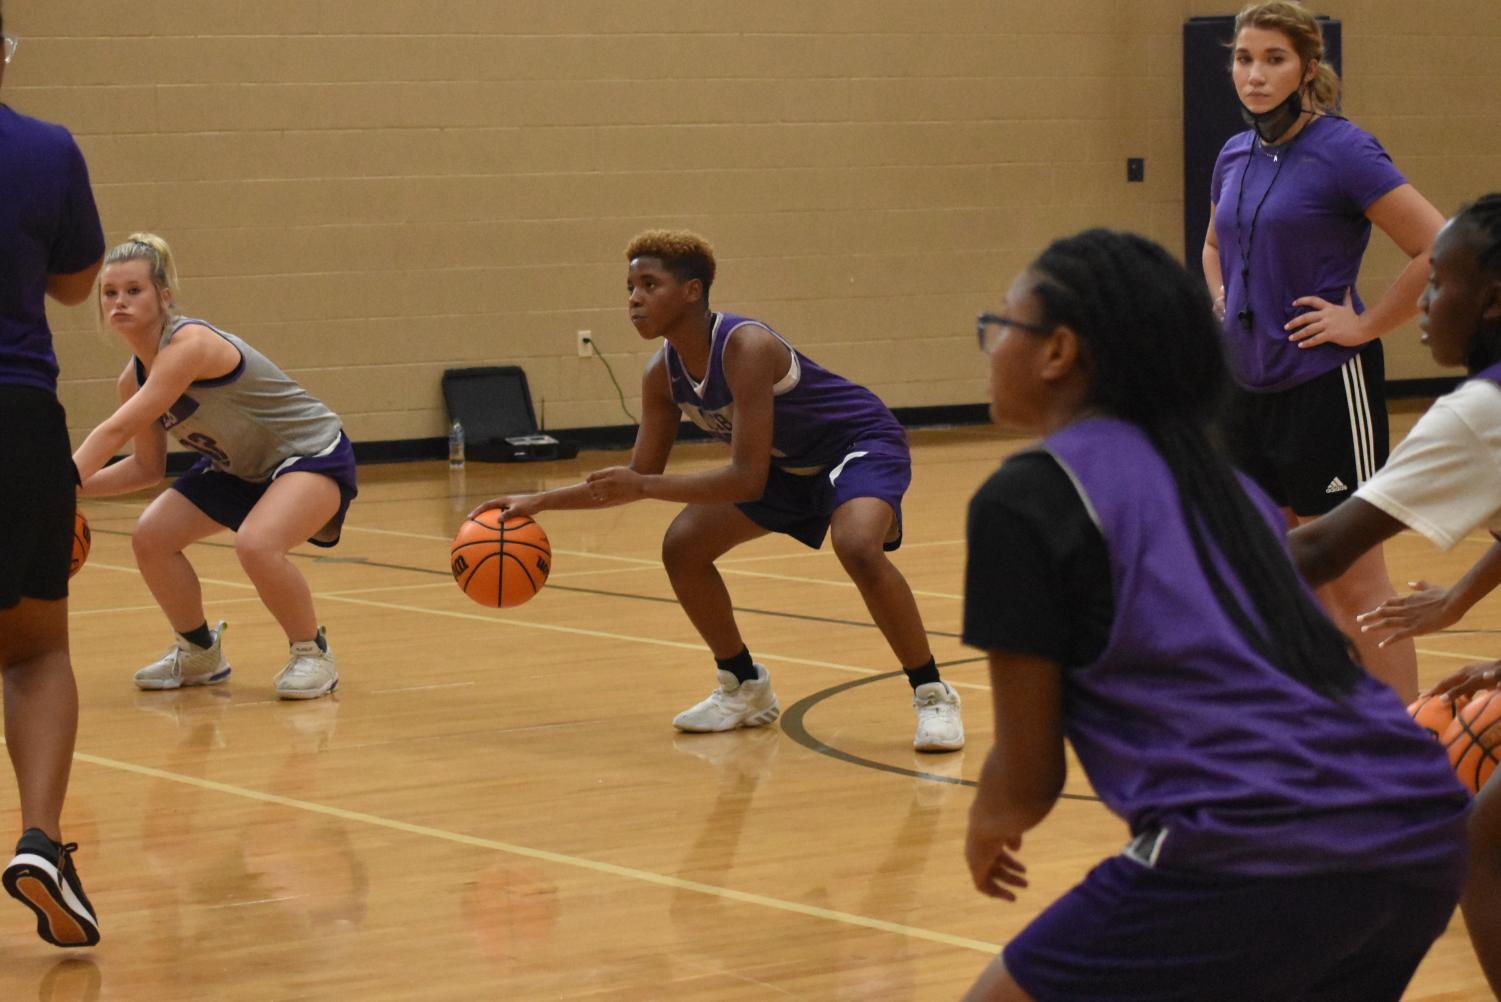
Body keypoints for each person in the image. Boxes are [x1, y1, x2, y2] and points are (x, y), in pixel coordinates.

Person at [962, 228, 1469, 1002]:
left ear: (1057, 351)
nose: (988, 341)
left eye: (1000, 322)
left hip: (1256, 844)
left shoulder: (1025, 497)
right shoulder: (1228, 485)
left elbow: (1030, 775)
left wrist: (990, 819)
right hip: (1421, 825)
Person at [473, 229, 964, 752]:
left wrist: (644, 484)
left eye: (648, 284)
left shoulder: (746, 346)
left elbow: (744, 479)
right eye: (629, 287)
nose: (634, 299)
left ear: (691, 291)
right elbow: (638, 474)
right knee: (683, 547)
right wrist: (539, 501)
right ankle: (744, 685)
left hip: (855, 443)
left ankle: (932, 692)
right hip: (785, 465)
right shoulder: (661, 373)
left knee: (857, 546)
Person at [1200, 0, 1446, 702]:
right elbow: (1215, 245)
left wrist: (1363, 327)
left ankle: (1405, 751)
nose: (1253, 74)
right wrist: (1222, 298)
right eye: (1243, 59)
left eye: (1272, 59)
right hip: (1245, 391)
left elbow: (1438, 246)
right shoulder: (1233, 153)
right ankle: (1322, 731)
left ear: (1306, 67)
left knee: (1355, 580)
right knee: (1277, 574)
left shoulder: (1342, 149)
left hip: (1323, 389)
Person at [1290, 193, 1501, 997]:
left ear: (1492, 302)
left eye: (1437, 282)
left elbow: (1320, 543)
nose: (1418, 300)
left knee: (1481, 848)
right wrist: (1455, 605)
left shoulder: (1479, 411)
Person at [71, 233, 356, 701]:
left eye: (133, 290)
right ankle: (199, 651)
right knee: (151, 537)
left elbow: (114, 432)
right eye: (109, 293)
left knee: (257, 544)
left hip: (309, 454)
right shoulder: (133, 378)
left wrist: (56, 481)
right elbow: (145, 468)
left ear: (164, 296)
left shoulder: (191, 345)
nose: (119, 301)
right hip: (239, 468)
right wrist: (73, 490)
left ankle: (313, 653)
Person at [0, 3, 105, 947]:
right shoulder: (45, 147)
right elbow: (78, 283)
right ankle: (38, 840)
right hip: (19, 417)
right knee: (33, 651)